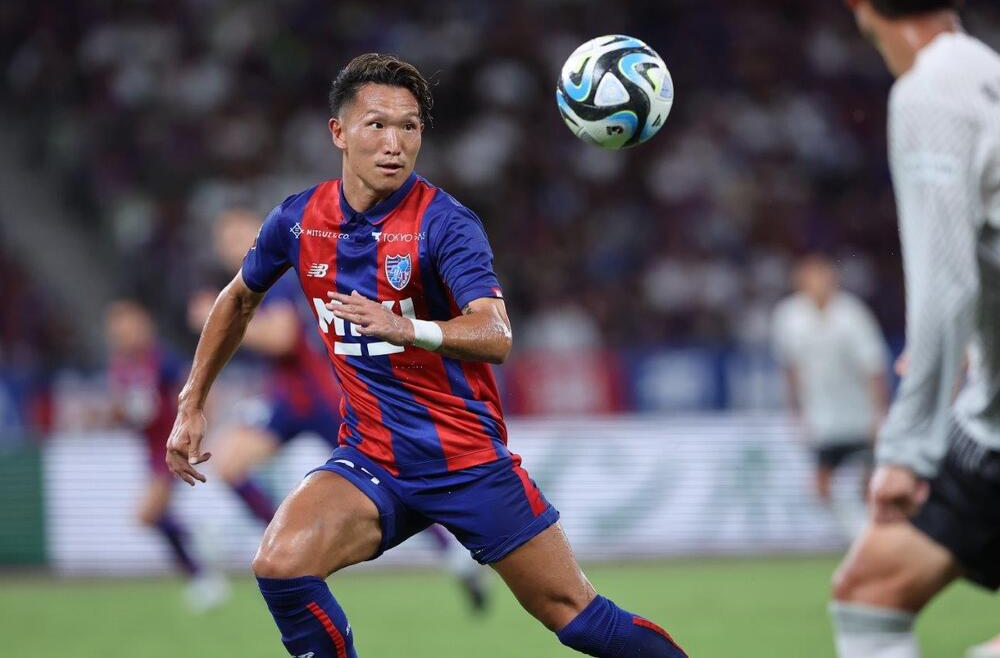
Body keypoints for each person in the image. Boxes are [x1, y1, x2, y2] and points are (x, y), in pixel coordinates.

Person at [166, 53, 686, 657]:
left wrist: (408, 328)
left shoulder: (446, 224)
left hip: (466, 462)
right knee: (281, 564)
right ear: (339, 132)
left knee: (578, 619)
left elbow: (496, 333)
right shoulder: (298, 220)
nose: (395, 143)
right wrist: (192, 402)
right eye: (377, 125)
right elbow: (237, 299)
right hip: (372, 458)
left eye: (409, 127)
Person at [190, 208, 490, 612]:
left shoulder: (276, 276)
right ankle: (286, 550)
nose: (235, 246)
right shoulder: (254, 281)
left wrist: (224, 323)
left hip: (322, 396)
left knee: (395, 476)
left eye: (241, 234)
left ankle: (453, 554)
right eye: (226, 241)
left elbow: (282, 337)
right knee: (229, 464)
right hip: (287, 400)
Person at [830, 0, 1000, 657]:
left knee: (870, 594)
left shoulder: (930, 94)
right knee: (870, 591)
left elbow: (946, 284)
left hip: (987, 423)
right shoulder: (987, 72)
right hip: (989, 418)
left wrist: (906, 452)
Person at [105, 299, 228, 611]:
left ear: (142, 326)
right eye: (118, 330)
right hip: (149, 450)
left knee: (147, 514)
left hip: (171, 445)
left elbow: (196, 388)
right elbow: (120, 412)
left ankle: (200, 568)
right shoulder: (120, 367)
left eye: (128, 327)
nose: (123, 334)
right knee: (153, 516)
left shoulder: (162, 360)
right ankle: (199, 553)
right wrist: (122, 413)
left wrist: (198, 430)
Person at [772, 253, 889, 537]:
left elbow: (874, 368)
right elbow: (791, 368)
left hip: (859, 415)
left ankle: (873, 535)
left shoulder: (853, 315)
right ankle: (856, 532)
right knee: (820, 486)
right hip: (822, 418)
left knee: (870, 484)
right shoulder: (788, 316)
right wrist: (795, 410)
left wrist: (880, 415)